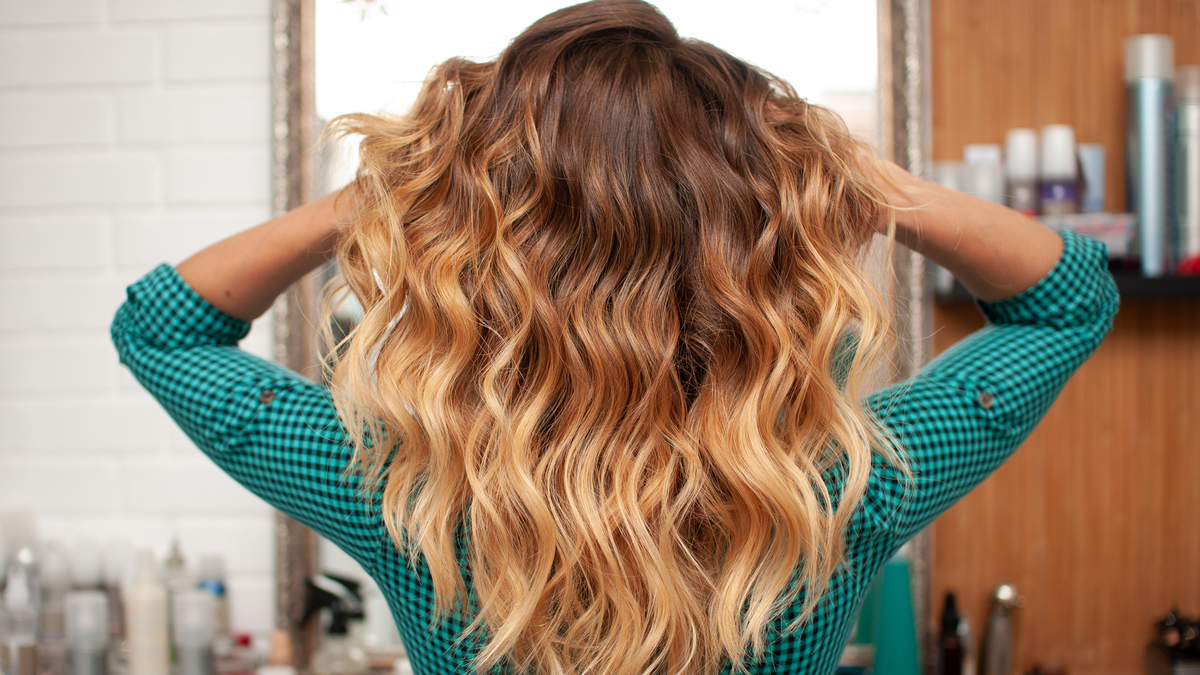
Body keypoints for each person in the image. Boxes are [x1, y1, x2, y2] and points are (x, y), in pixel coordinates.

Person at [110, 2, 1118, 674]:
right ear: (750, 257)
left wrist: (394, 189)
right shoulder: (846, 489)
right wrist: (850, 178)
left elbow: (160, 330)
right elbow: (1066, 298)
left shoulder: (402, 494)